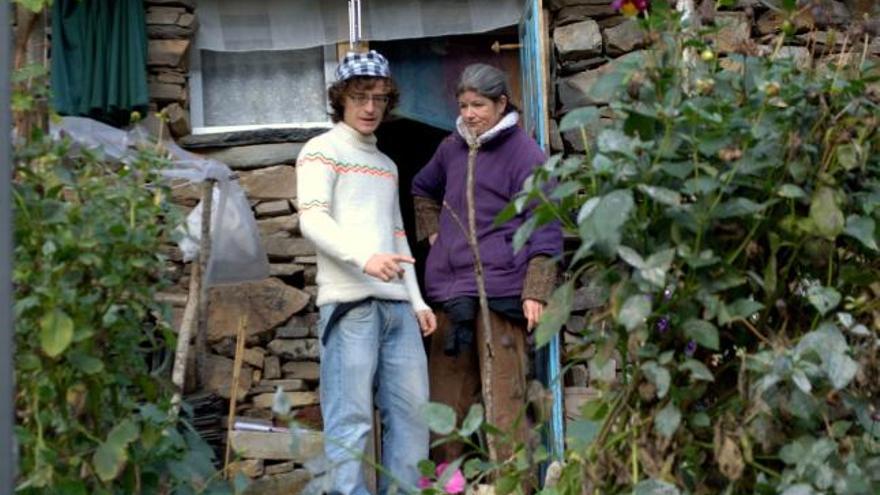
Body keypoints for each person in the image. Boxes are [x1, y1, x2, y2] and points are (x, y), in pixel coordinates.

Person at [296, 49, 437, 495]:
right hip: (349, 304)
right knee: (350, 422)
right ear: (341, 99)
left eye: (378, 98)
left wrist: (417, 301)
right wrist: (364, 259)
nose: (370, 108)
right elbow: (312, 220)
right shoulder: (321, 150)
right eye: (360, 97)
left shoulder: (386, 164)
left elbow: (396, 235)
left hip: (398, 309)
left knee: (414, 418)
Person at [411, 63, 563, 463]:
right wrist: (434, 235)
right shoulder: (450, 149)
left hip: (501, 295)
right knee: (445, 407)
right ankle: (446, 488)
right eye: (463, 105)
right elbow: (422, 188)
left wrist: (535, 291)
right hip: (450, 296)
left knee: (504, 405)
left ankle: (513, 487)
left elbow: (543, 224)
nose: (469, 114)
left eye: (478, 105)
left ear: (501, 103)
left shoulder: (525, 154)